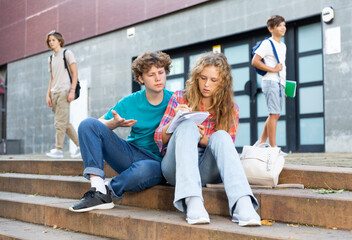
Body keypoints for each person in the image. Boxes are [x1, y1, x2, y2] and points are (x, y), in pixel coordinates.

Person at [154, 52, 261, 226]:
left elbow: (226, 148)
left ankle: (243, 204)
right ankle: (193, 200)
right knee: (187, 125)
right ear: (196, 77)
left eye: (213, 80)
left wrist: (202, 138)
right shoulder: (180, 97)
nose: (206, 84)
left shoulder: (231, 108)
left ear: (223, 83)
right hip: (176, 169)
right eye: (203, 78)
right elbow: (159, 138)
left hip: (208, 169)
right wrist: (177, 120)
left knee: (221, 136)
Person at [69, 51, 173, 212]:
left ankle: (107, 190)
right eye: (151, 74)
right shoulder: (130, 101)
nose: (158, 78)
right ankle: (97, 188)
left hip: (157, 163)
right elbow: (98, 124)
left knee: (144, 169)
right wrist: (113, 123)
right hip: (130, 154)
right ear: (140, 78)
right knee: (87, 124)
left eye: (161, 72)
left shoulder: (175, 100)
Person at [251, 15, 287, 155]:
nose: (283, 28)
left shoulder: (282, 45)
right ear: (271, 29)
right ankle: (273, 148)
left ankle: (261, 142)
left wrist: (284, 85)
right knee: (274, 114)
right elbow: (255, 61)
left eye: (284, 25)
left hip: (278, 83)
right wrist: (272, 69)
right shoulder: (267, 44)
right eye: (279, 25)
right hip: (270, 81)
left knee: (275, 115)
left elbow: (282, 67)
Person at [45, 30, 81, 159]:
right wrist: (48, 94)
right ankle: (80, 146)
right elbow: (52, 78)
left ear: (59, 41)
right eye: (49, 41)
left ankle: (58, 150)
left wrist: (72, 90)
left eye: (53, 40)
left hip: (64, 92)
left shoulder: (67, 53)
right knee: (64, 123)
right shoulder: (50, 58)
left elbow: (75, 73)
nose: (51, 42)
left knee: (59, 122)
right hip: (54, 93)